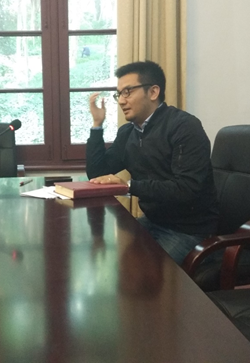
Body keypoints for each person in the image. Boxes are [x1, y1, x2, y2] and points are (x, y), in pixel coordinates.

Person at [86, 60, 218, 265]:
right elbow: (97, 173)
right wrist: (97, 125)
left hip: (188, 230)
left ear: (153, 92)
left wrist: (129, 186)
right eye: (119, 94)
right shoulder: (128, 132)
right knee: (112, 261)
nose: (121, 101)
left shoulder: (184, 127)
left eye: (128, 92)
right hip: (153, 221)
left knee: (145, 273)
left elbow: (186, 188)